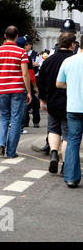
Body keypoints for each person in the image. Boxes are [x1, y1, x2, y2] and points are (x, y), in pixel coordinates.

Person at [0, 25, 32, 158]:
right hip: (17, 89)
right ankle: (11, 151)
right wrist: (29, 91)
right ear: (17, 37)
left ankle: (1, 143)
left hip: (3, 89)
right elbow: (25, 73)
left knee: (4, 117)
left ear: (5, 36)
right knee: (16, 119)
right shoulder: (21, 52)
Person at [38, 32, 75, 174]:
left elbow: (41, 82)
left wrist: (43, 98)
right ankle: (65, 164)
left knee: (53, 129)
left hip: (52, 101)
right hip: (70, 102)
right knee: (67, 134)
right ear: (72, 44)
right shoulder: (74, 59)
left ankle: (54, 153)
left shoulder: (49, 60)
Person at [56, 34, 83, 188]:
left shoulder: (68, 61)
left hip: (73, 106)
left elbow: (59, 83)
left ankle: (71, 178)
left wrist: (71, 86)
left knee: (73, 141)